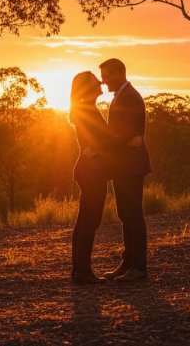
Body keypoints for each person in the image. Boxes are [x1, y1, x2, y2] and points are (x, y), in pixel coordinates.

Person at [99, 58, 151, 282]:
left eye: (107, 76)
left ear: (119, 73)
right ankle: (128, 262)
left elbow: (126, 132)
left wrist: (101, 144)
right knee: (125, 214)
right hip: (123, 164)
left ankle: (138, 267)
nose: (104, 81)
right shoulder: (122, 95)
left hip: (131, 165)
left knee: (133, 215)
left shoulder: (131, 96)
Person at [68, 71, 111, 284]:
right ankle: (82, 272)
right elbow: (98, 140)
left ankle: (79, 269)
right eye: (96, 81)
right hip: (92, 170)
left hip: (90, 169)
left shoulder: (85, 109)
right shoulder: (86, 111)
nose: (101, 82)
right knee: (90, 220)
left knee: (85, 220)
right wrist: (101, 151)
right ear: (88, 87)